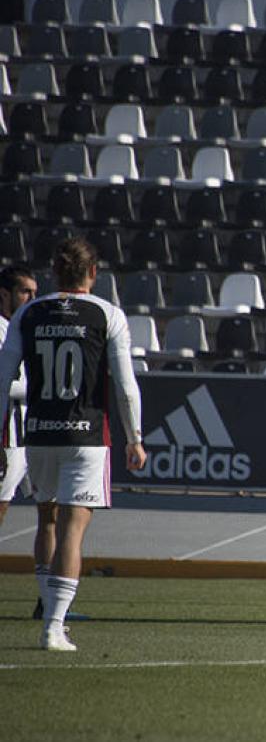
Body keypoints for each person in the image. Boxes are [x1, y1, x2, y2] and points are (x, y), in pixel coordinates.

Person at [0, 238, 146, 652]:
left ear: (54, 273)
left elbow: (2, 378)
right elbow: (125, 386)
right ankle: (54, 625)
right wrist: (134, 438)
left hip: (38, 435)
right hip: (85, 436)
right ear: (93, 273)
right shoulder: (107, 314)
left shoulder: (28, 312)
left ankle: (48, 610)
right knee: (72, 531)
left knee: (47, 520)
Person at [0, 265, 37, 526]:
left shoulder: (27, 328)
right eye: (25, 292)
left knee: (52, 508)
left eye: (35, 292)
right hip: (7, 433)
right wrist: (41, 388)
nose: (32, 299)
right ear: (4, 294)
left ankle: (49, 568)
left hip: (33, 431)